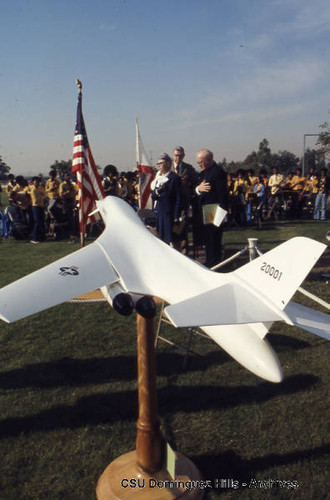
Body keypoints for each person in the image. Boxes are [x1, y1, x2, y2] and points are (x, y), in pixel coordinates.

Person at [195, 149, 228, 268]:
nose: (199, 164)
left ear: (208, 160)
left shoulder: (218, 172)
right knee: (208, 240)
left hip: (215, 210)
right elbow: (197, 188)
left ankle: (215, 265)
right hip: (205, 210)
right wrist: (198, 189)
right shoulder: (203, 173)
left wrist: (220, 217)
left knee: (214, 240)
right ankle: (209, 263)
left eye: (200, 162)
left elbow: (223, 196)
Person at [172, 146, 199, 253]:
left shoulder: (189, 168)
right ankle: (173, 251)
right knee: (171, 229)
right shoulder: (167, 168)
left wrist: (191, 195)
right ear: (173, 155)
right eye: (176, 155)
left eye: (180, 155)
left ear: (183, 156)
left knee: (182, 229)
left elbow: (195, 183)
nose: (178, 157)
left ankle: (184, 252)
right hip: (171, 204)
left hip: (183, 204)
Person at [151, 153, 181, 245]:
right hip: (160, 212)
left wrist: (176, 215)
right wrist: (157, 192)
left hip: (170, 213)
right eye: (158, 164)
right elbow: (153, 196)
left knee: (172, 240)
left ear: (168, 164)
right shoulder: (159, 178)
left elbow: (178, 198)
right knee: (161, 240)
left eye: (161, 163)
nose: (159, 165)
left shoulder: (174, 178)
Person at [30, 176, 46, 243]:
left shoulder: (39, 189)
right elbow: (36, 199)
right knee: (37, 221)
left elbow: (44, 195)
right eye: (36, 182)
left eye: (38, 182)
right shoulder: (33, 189)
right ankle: (34, 238)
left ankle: (41, 236)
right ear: (33, 182)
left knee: (41, 221)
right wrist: (41, 196)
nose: (37, 183)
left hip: (41, 206)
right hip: (36, 206)